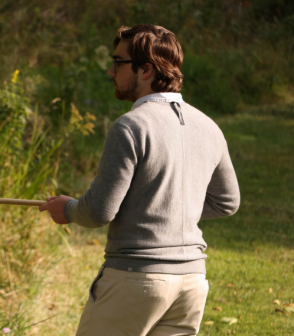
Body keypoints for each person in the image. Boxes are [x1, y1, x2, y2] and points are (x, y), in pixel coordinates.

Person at [39, 24, 240, 336]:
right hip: (191, 285)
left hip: (135, 281)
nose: (110, 71)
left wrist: (67, 210)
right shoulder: (209, 126)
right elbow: (227, 202)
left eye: (118, 62)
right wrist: (168, 207)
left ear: (146, 70)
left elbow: (98, 212)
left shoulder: (130, 127)